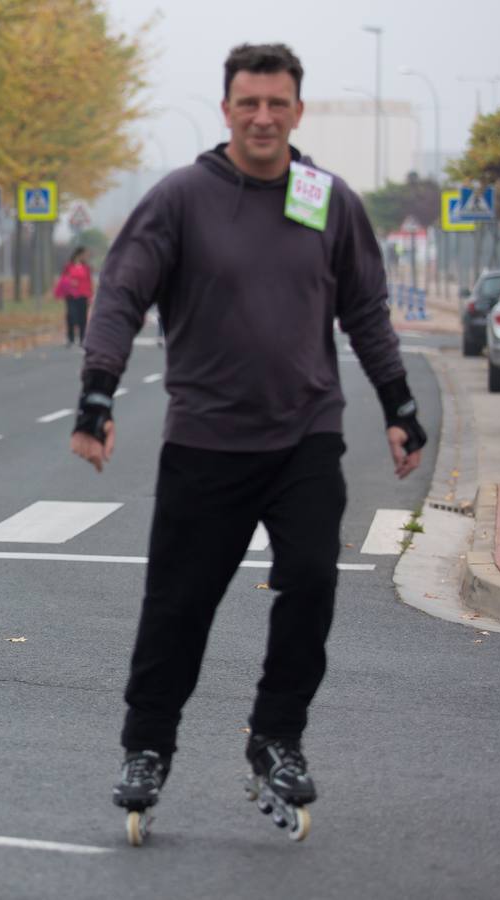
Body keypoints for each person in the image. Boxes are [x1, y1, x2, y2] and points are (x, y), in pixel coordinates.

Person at [70, 43, 426, 845]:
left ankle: (276, 735)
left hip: (306, 433)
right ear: (225, 108)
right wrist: (98, 393)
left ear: (298, 111)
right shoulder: (182, 198)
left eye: (277, 103)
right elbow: (121, 296)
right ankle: (146, 750)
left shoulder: (327, 200)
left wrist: (400, 405)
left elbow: (366, 311)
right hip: (206, 439)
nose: (262, 117)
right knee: (178, 608)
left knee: (311, 577)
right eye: (247, 103)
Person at [54, 247, 93, 345]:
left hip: (83, 295)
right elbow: (63, 279)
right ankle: (70, 338)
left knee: (82, 318)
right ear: (79, 254)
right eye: (85, 254)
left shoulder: (86, 268)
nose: (86, 257)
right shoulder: (68, 266)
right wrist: (70, 282)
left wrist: (90, 296)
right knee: (71, 315)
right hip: (71, 295)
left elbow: (89, 281)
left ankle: (82, 339)